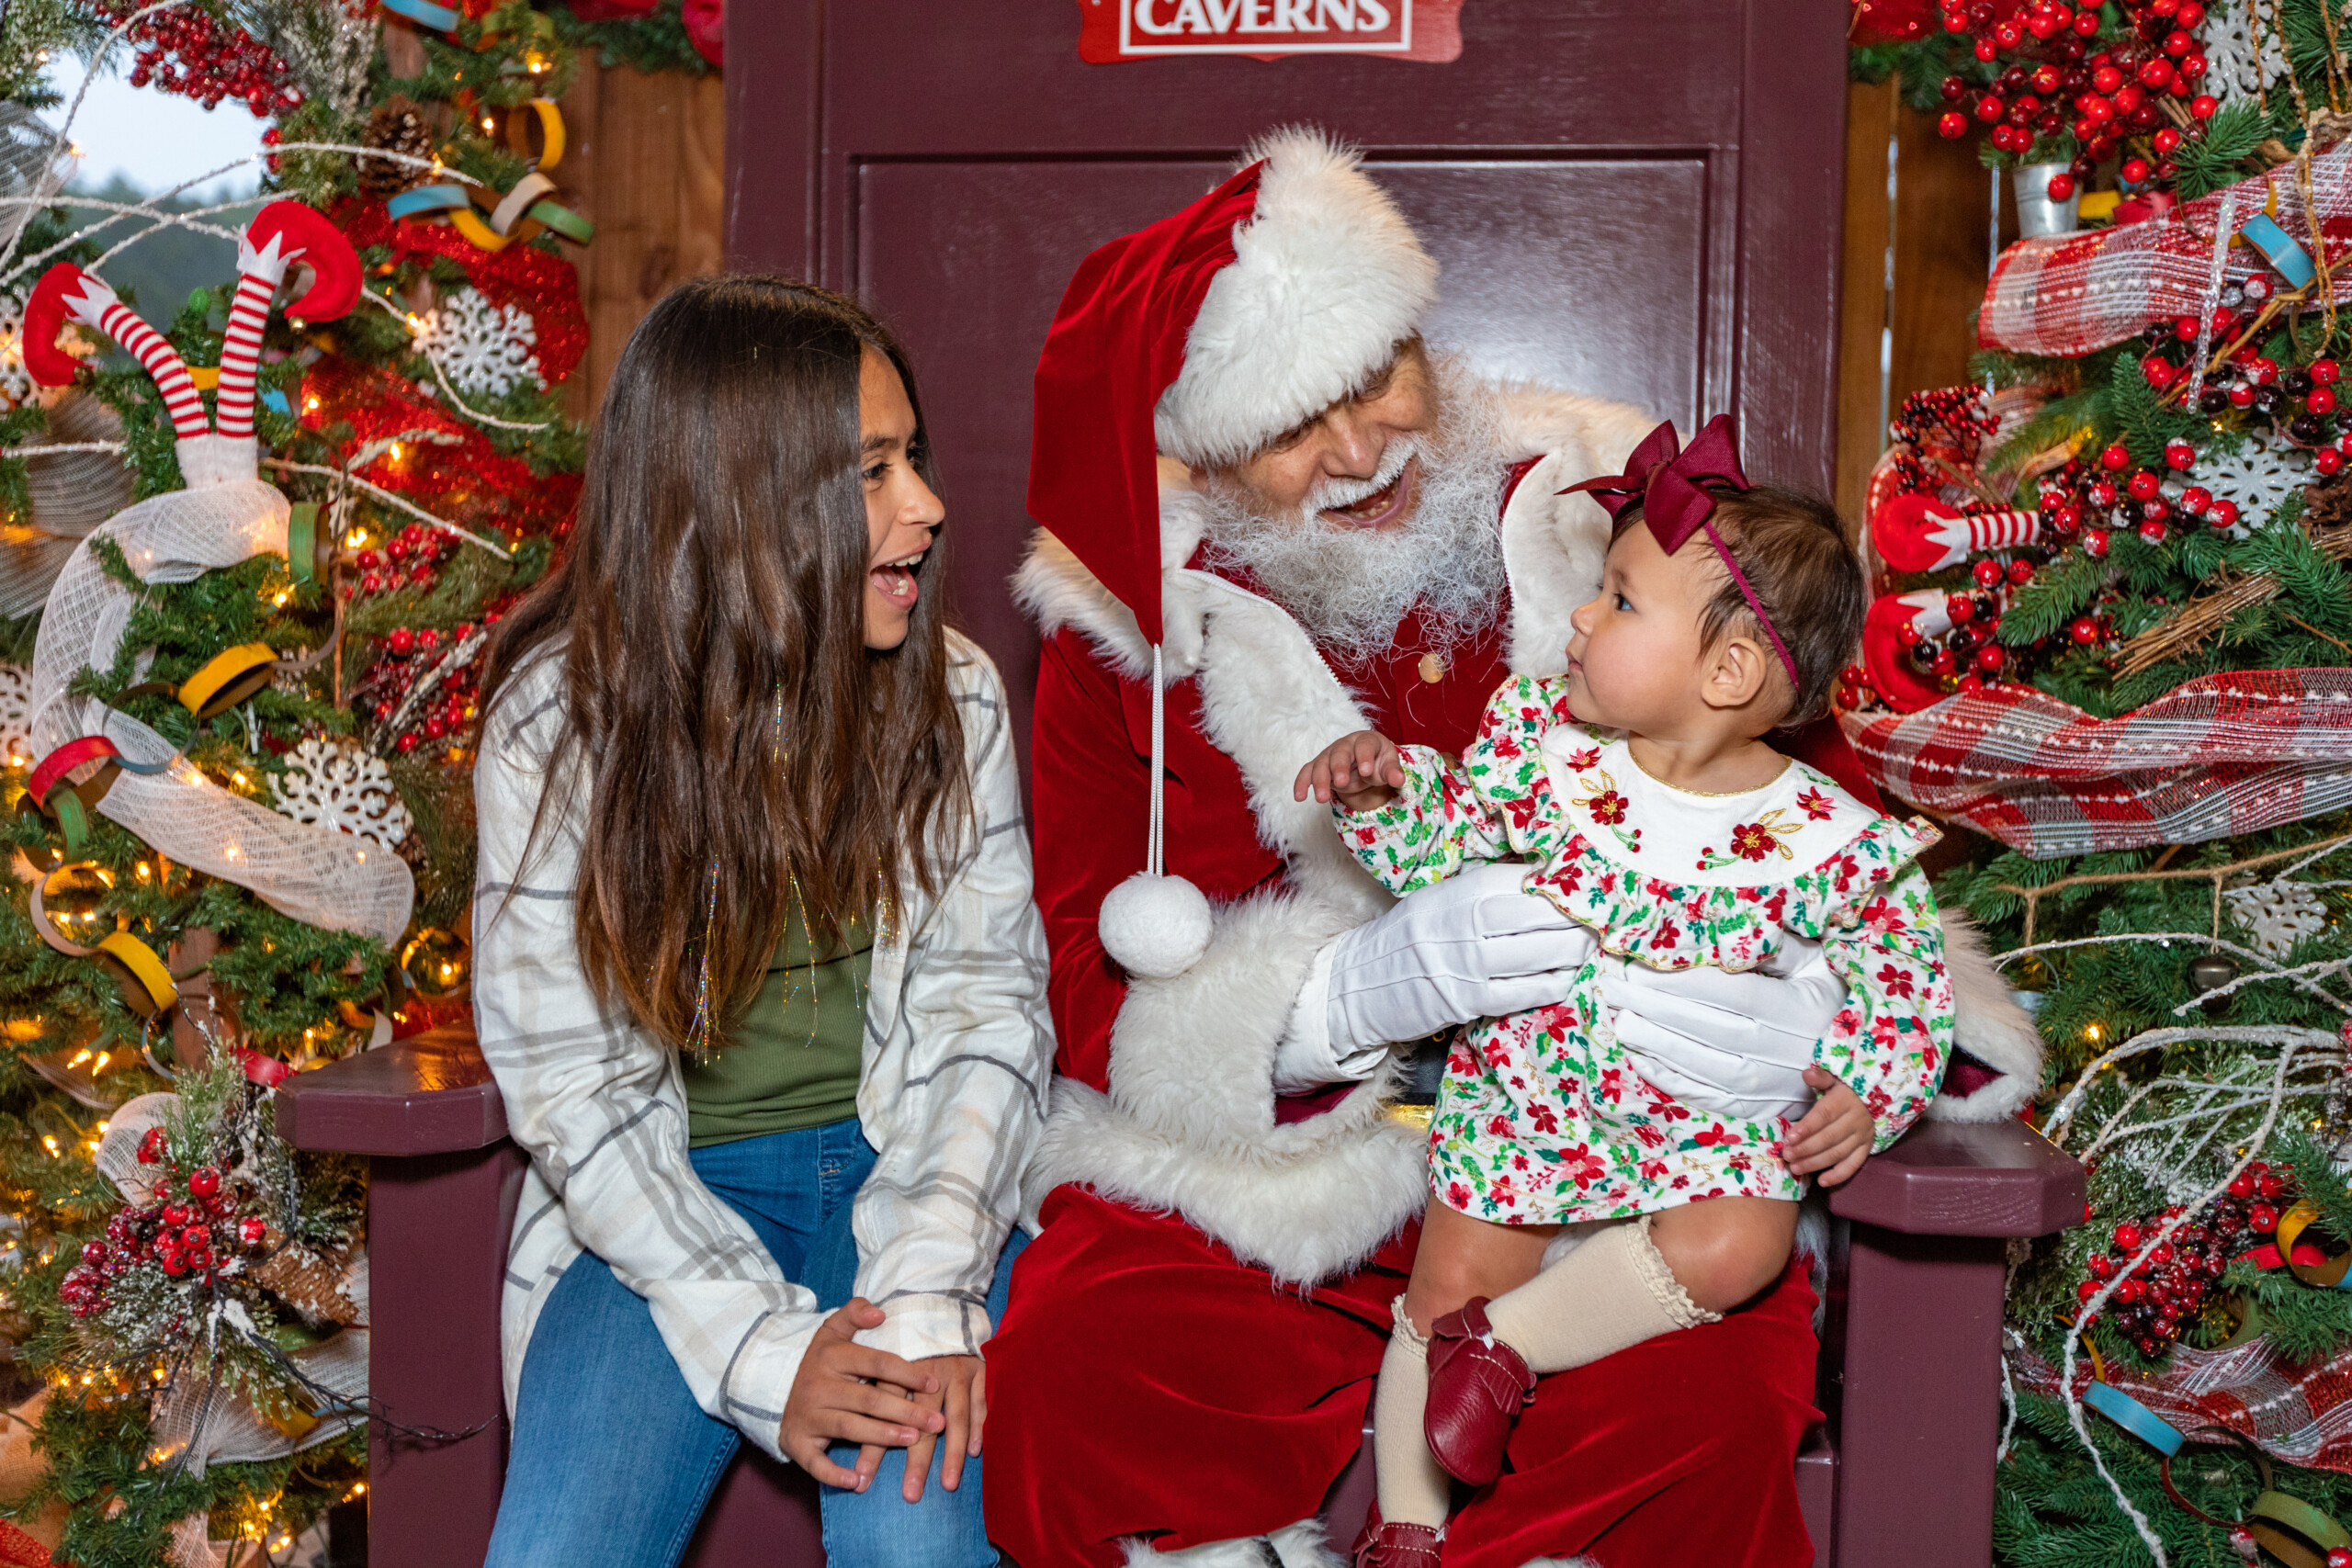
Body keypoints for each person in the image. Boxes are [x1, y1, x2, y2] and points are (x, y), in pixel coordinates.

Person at [986, 129, 2042, 1568]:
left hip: (1629, 1163)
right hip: (1287, 1184)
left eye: (1377, 377)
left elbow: (1822, 818)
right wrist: (1345, 1000)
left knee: (1702, 1415)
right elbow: (1088, 978)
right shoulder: (1130, 631)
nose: (1360, 450)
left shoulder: (1622, 514)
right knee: (1080, 1370)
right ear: (1205, 458)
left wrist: (1809, 1023)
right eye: (1291, 428)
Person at [1296, 419, 1955, 1563]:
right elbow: (1441, 852)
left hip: (1700, 1127)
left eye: (1617, 601)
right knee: (1442, 1283)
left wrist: (1862, 1090)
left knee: (1743, 1244)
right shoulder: (1545, 751)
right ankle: (1406, 1527)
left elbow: (1904, 990)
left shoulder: (1823, 836)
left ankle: (1505, 1346)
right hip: (1528, 1101)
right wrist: (1383, 794)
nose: (1579, 619)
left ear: (1728, 672)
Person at [469, 276, 1052, 1568]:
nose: (926, 505)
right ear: (737, 503)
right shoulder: (556, 726)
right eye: (870, 471)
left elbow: (988, 1013)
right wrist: (761, 1348)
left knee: (918, 1545)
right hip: (664, 1204)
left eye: (913, 457)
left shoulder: (953, 695)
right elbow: (571, 1083)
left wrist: (928, 1287)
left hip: (912, 1177)